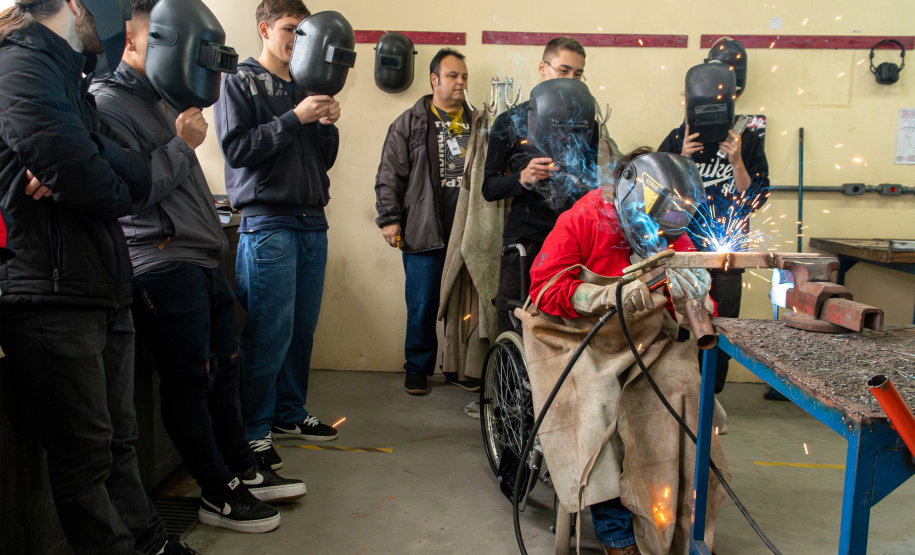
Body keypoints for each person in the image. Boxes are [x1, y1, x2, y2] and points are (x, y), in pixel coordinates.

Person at [92, 0, 307, 534]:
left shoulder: (166, 101)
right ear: (133, 42)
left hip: (199, 255)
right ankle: (216, 492)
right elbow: (128, 193)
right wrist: (180, 144)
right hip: (160, 261)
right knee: (188, 381)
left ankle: (239, 468)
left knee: (223, 374)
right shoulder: (106, 103)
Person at [0, 0, 193, 552]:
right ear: (71, 5)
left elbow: (118, 164)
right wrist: (98, 182)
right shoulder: (21, 66)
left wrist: (89, 171)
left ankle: (150, 542)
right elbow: (88, 177)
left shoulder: (65, 71)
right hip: (50, 290)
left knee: (118, 443)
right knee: (84, 459)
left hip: (99, 281)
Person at [524, 150, 727, 555]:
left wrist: (697, 297)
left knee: (686, 390)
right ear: (633, 197)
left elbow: (695, 314)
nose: (661, 239)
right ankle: (616, 531)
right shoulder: (583, 218)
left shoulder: (672, 228)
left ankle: (679, 525)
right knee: (597, 405)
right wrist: (605, 296)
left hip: (643, 339)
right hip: (575, 335)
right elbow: (544, 289)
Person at [215, 0, 340, 471]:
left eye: (303, 33)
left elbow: (321, 161)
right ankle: (253, 430)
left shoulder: (304, 86)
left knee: (302, 330)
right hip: (267, 223)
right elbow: (237, 149)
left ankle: (289, 411)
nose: (296, 41)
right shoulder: (240, 80)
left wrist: (326, 126)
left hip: (312, 220)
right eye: (290, 29)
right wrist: (295, 119)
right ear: (265, 29)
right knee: (269, 332)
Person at [374, 48, 485, 396]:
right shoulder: (410, 122)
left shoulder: (480, 122)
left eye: (464, 76)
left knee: (466, 306)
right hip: (424, 229)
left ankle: (458, 368)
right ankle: (417, 369)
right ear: (434, 79)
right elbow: (390, 174)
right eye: (453, 76)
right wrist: (389, 219)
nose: (460, 82)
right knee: (422, 304)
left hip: (469, 233)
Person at [483, 36, 600, 334]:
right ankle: (510, 380)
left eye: (577, 74)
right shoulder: (509, 122)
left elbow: (592, 182)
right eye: (563, 71)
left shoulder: (589, 123)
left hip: (572, 241)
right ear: (543, 68)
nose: (570, 80)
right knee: (513, 316)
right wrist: (522, 179)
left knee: (565, 322)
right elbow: (489, 188)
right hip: (525, 239)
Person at [657, 98, 769, 399]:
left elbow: (755, 200)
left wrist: (736, 161)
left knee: (724, 326)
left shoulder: (748, 140)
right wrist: (679, 159)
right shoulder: (677, 137)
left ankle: (711, 395)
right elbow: (654, 195)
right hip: (680, 250)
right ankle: (679, 391)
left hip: (727, 253)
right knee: (679, 322)